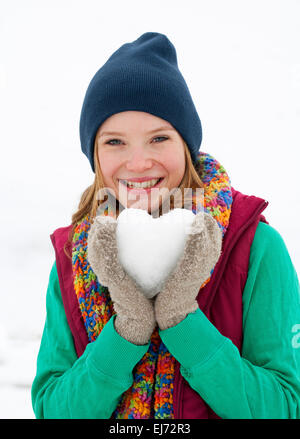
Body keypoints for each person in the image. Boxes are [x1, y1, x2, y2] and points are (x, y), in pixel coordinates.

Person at [31, 32, 300, 419]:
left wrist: (182, 323)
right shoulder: (75, 256)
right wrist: (126, 334)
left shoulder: (254, 245)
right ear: (94, 153)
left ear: (185, 145)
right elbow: (53, 410)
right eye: (115, 142)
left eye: (159, 138)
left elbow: (284, 408)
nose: (138, 163)